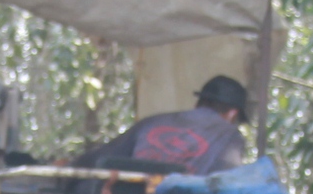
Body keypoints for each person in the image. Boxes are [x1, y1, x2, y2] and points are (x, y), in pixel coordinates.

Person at [76, 74, 250, 176]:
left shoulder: (152, 122)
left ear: (198, 103)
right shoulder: (230, 136)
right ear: (233, 113)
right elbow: (226, 179)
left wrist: (69, 164)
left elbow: (102, 156)